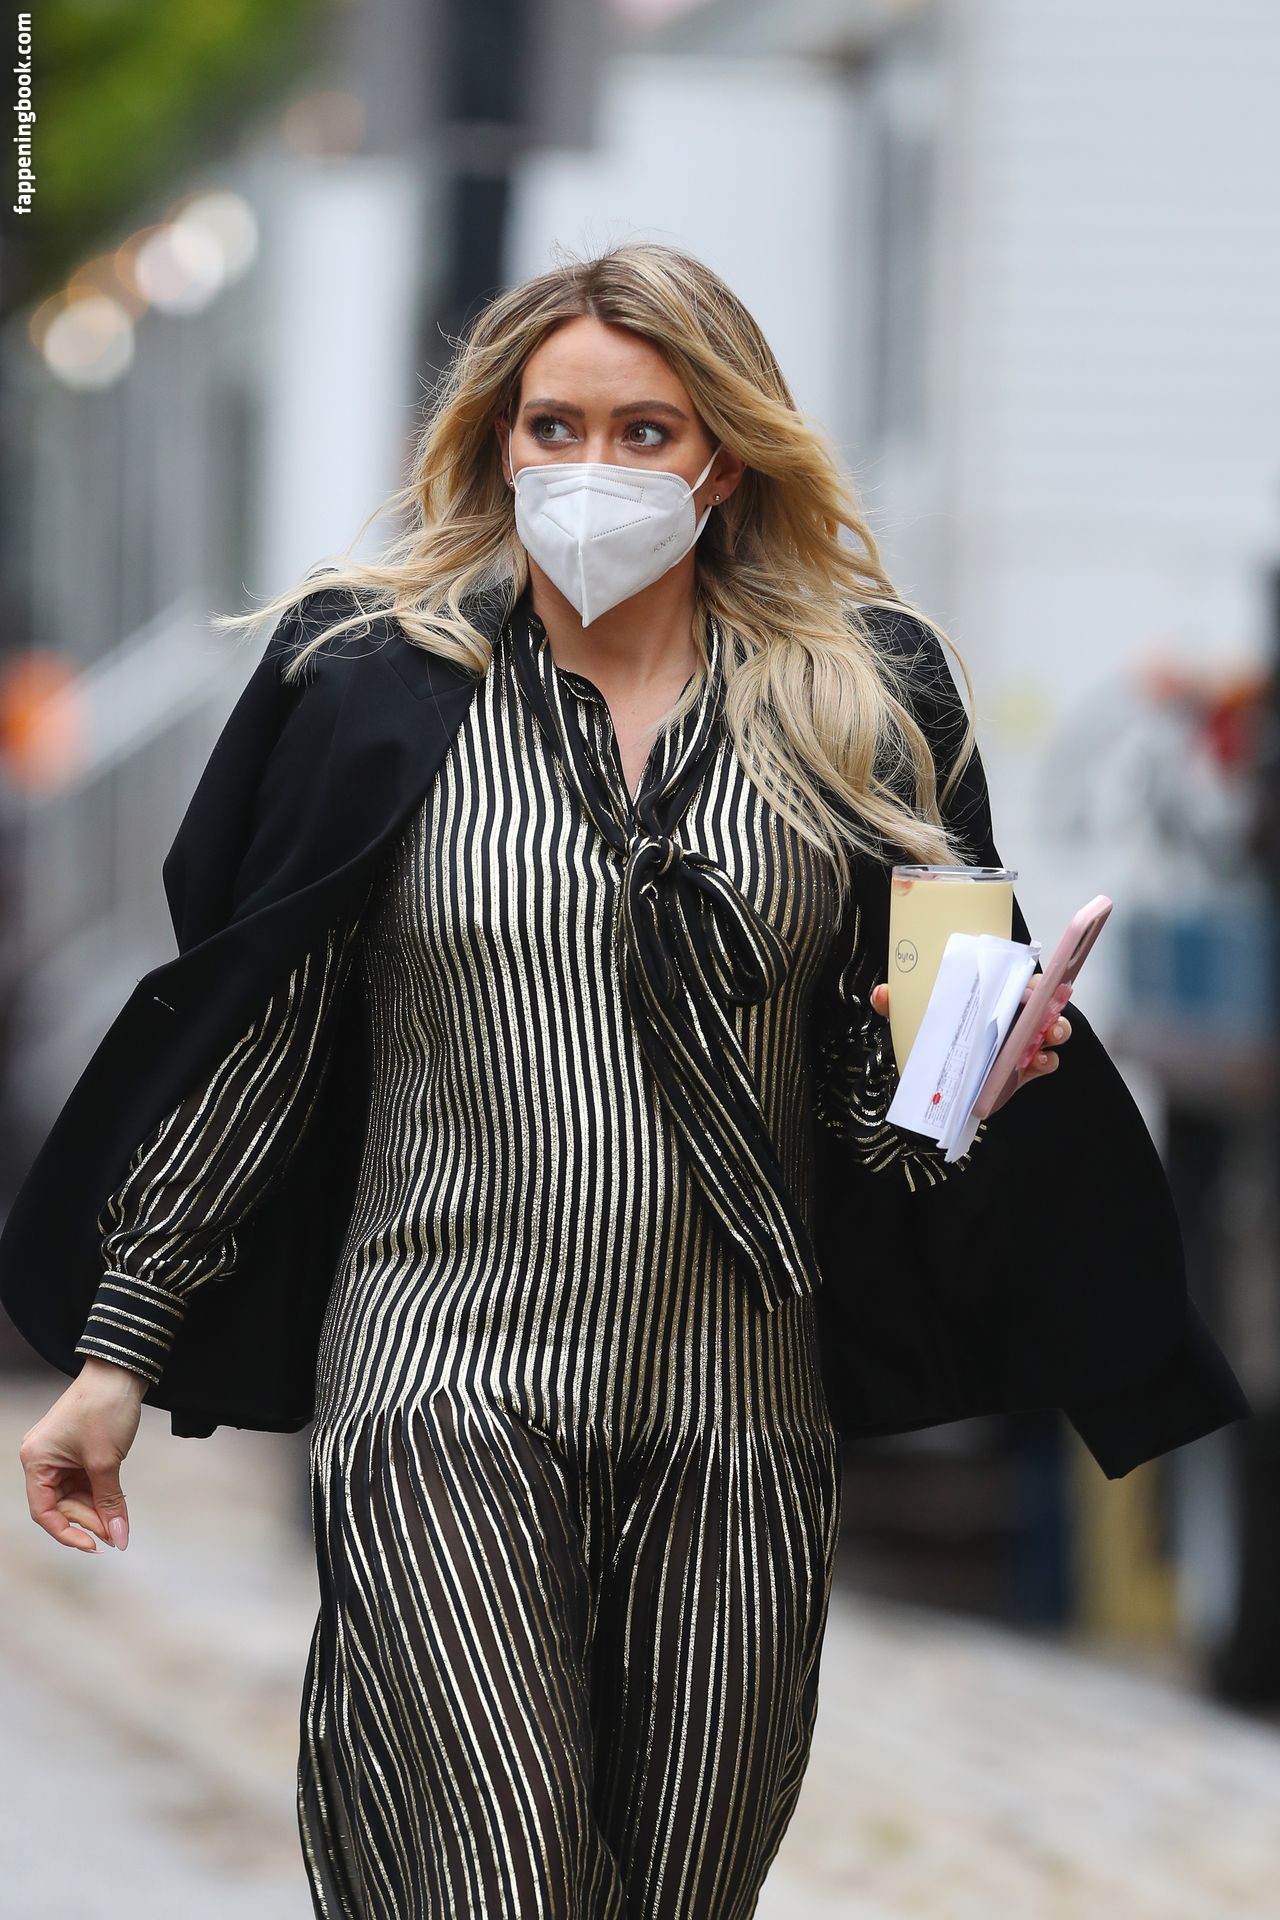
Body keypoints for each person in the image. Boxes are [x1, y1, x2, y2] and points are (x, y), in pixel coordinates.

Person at [9, 242, 1245, 1920]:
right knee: (500, 1877)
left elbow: (886, 1125)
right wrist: (117, 1355)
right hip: (438, 1381)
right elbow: (261, 1040)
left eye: (644, 431)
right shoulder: (371, 683)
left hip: (740, 1414)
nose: (592, 469)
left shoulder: (868, 698)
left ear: (722, 458)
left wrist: (970, 1081)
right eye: (555, 427)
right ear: (499, 441)